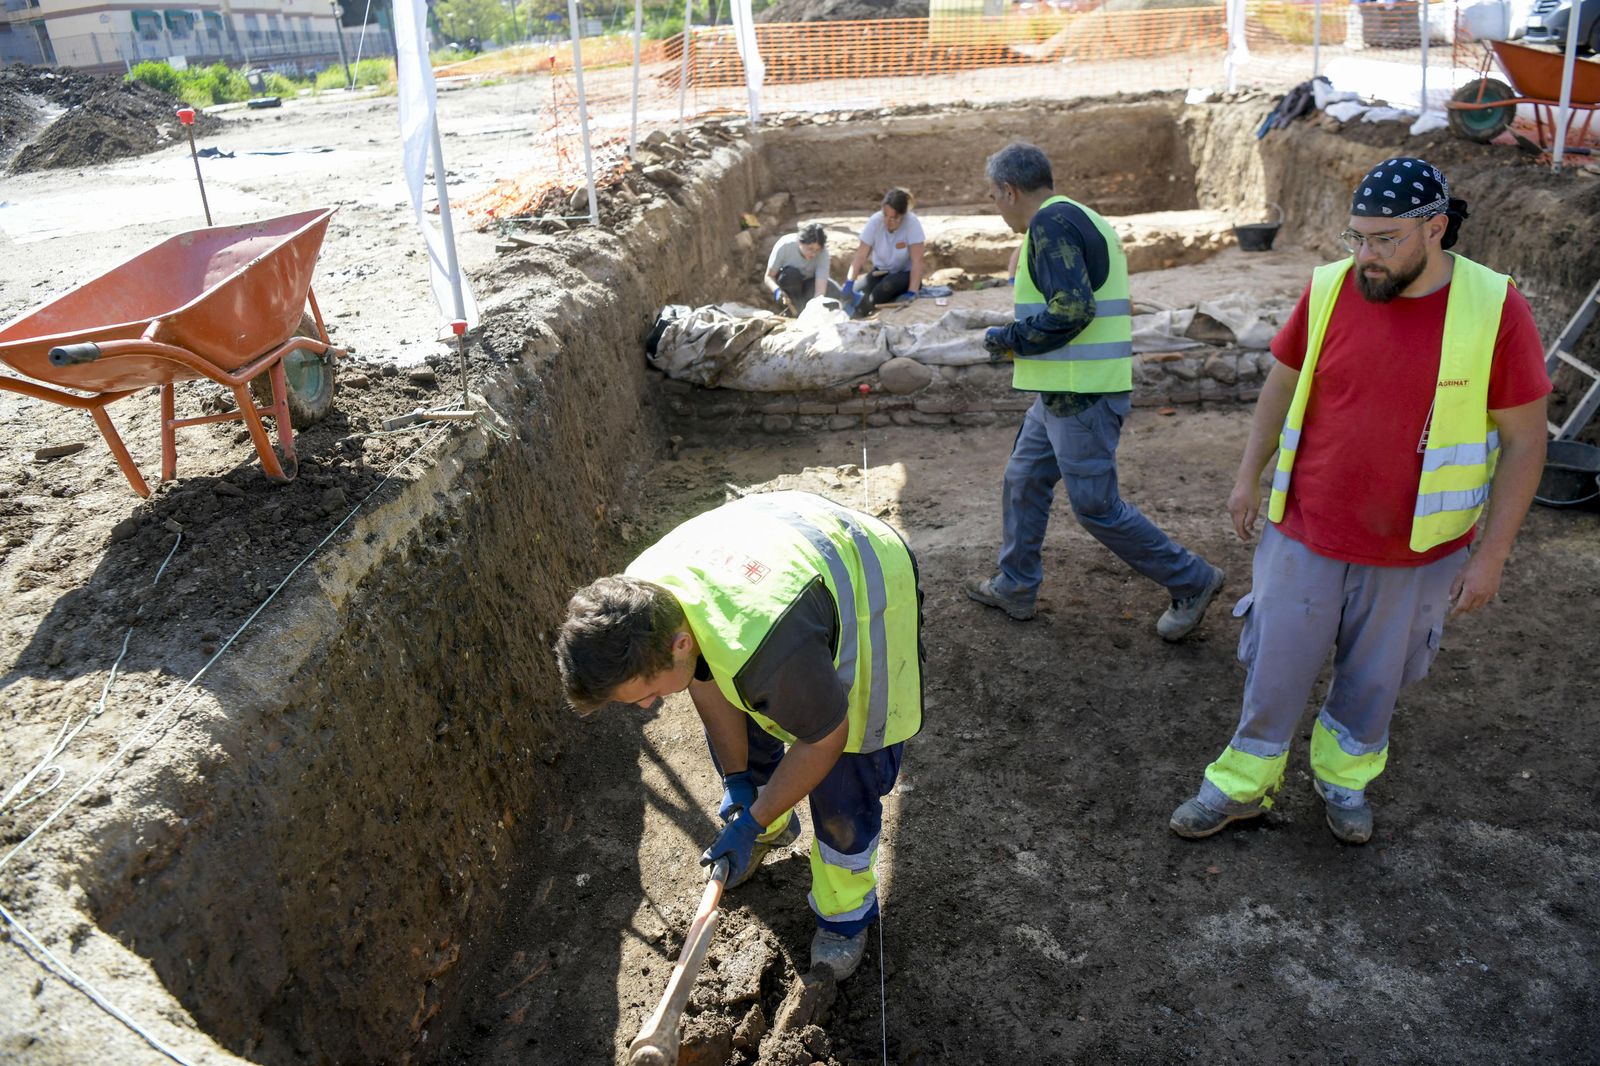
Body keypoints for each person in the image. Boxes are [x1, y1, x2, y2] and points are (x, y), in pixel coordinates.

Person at [1169, 157, 1550, 845]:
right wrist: (1246, 475)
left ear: (1436, 228)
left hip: (1418, 549)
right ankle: (1239, 786)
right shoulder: (1329, 289)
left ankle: (1344, 781)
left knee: (1375, 682)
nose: (1365, 257)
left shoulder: (1495, 308)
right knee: (1275, 667)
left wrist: (1492, 556)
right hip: (1307, 528)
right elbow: (1282, 385)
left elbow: (1526, 441)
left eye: (1384, 240)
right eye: (1357, 238)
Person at [555, 491, 923, 981]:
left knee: (844, 779)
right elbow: (705, 679)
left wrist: (747, 822)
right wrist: (739, 784)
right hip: (774, 557)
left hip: (865, 574)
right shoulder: (644, 602)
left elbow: (825, 740)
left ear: (678, 645)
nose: (645, 707)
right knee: (751, 719)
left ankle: (845, 916)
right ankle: (770, 828)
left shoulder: (766, 643)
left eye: (640, 694)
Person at [966, 141, 1225, 640]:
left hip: (1080, 396)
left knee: (1097, 508)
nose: (995, 208)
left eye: (993, 197)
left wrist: (1007, 341)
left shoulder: (1050, 225)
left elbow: (1071, 309)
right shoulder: (1082, 216)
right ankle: (1015, 585)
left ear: (1010, 190)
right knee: (1023, 478)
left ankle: (1192, 579)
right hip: (1061, 393)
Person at [843, 188, 925, 318]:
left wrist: (912, 291)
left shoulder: (912, 223)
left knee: (880, 292)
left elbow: (917, 261)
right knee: (856, 291)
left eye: (893, 218)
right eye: (885, 215)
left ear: (903, 216)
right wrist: (849, 283)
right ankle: (853, 309)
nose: (887, 221)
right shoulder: (875, 222)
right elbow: (860, 256)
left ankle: (859, 312)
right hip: (880, 272)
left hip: (905, 275)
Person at [764, 222, 842, 315]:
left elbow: (820, 291)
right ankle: (792, 310)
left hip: (809, 285)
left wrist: (814, 308)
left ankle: (805, 311)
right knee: (791, 275)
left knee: (834, 291)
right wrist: (777, 290)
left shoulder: (823, 254)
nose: (813, 254)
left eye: (817, 250)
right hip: (790, 284)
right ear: (800, 242)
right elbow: (769, 277)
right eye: (810, 248)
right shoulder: (785, 245)